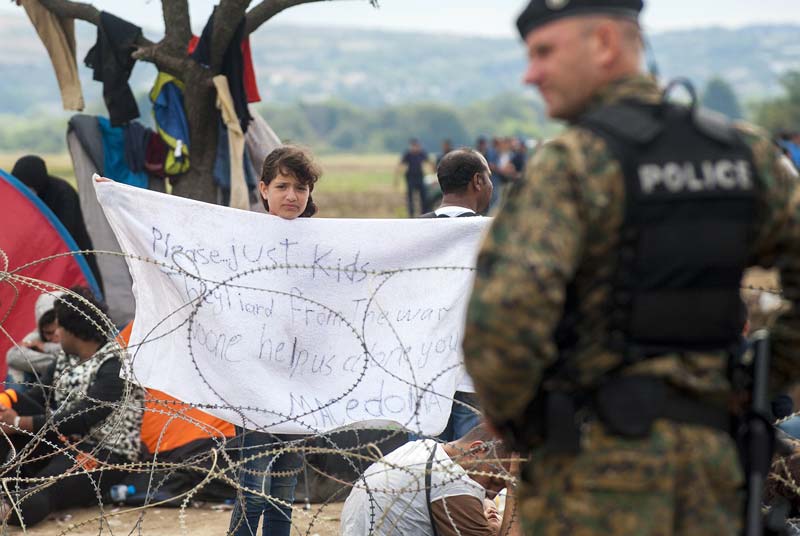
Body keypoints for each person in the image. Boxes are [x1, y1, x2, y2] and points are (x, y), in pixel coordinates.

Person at [462, 0, 800, 534]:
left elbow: (503, 321)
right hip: (716, 470)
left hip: (591, 471)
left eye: (544, 52)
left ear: (604, 44)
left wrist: (528, 425)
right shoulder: (745, 157)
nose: (531, 75)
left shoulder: (572, 166)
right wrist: (759, 375)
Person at [228, 145, 320, 536]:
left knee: (283, 491)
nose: (292, 196)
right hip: (254, 381)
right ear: (263, 189)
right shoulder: (244, 240)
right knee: (254, 489)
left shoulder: (322, 243)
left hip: (298, 381)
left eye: (301, 187)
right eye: (282, 186)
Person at [0, 286, 143, 526]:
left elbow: (84, 415)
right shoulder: (66, 359)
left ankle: (12, 505)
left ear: (72, 331)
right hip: (65, 442)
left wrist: (19, 423)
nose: (54, 335)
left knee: (40, 491)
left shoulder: (115, 364)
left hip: (105, 453)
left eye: (58, 328)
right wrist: (6, 406)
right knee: (14, 407)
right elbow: (36, 398)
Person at [419, 149, 493, 441]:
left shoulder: (408, 233)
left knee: (421, 472)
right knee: (472, 476)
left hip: (421, 379)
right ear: (478, 181)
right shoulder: (493, 235)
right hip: (472, 381)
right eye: (489, 177)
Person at [340, 423, 519, 535]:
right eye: (494, 481)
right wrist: (516, 488)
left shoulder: (420, 449)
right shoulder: (452, 482)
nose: (491, 494)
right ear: (475, 451)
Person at [11, 155, 103, 288]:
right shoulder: (18, 195)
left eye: (29, 188)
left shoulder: (63, 193)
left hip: (72, 250)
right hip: (39, 255)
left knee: (81, 293)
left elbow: (65, 232)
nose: (27, 192)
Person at [6, 291, 64, 392]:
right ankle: (15, 404)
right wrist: (54, 362)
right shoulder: (37, 336)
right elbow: (13, 356)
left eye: (59, 329)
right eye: (49, 333)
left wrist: (45, 347)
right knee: (17, 368)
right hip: (44, 389)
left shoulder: (77, 331)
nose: (54, 337)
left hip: (68, 387)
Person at [395, 138, 434, 217]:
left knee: (424, 196)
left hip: (420, 177)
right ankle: (411, 214)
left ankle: (424, 213)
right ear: (411, 146)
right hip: (410, 178)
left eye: (417, 146)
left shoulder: (421, 153)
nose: (416, 148)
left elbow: (429, 162)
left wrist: (434, 173)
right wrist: (396, 179)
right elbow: (400, 165)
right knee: (410, 198)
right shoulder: (408, 154)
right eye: (414, 146)